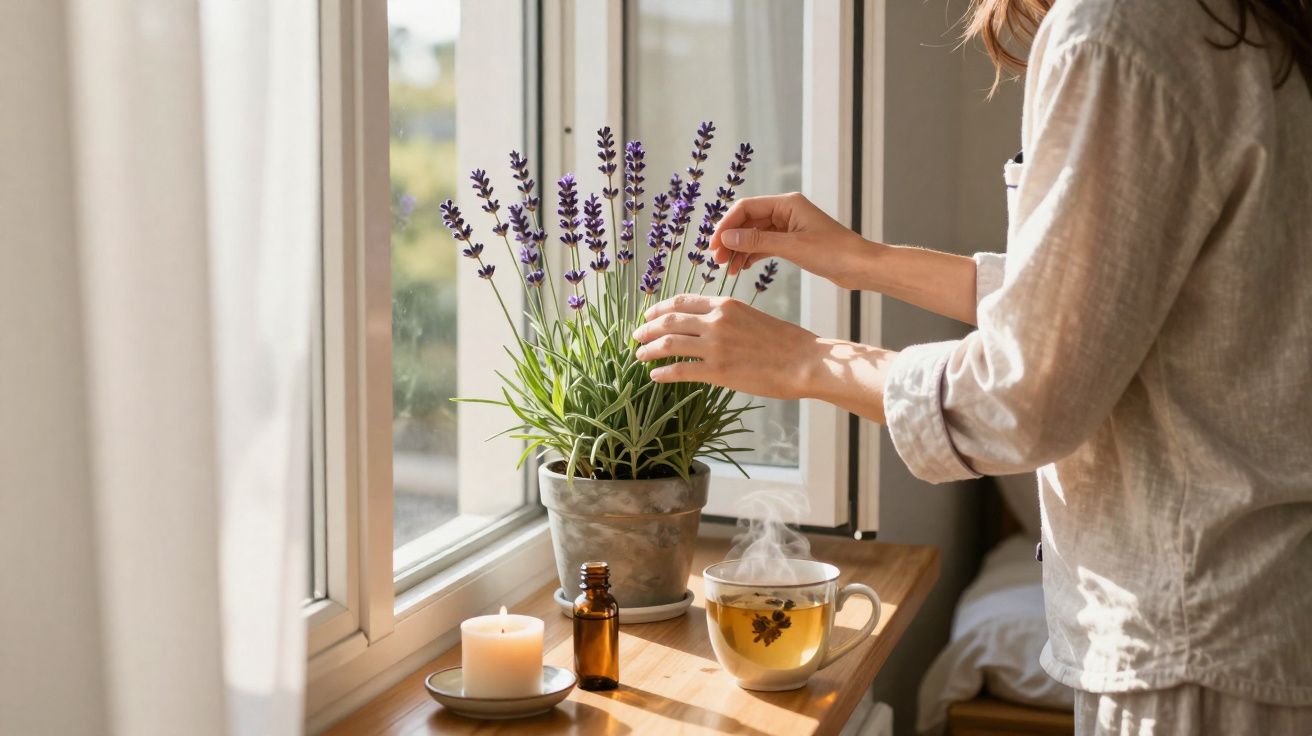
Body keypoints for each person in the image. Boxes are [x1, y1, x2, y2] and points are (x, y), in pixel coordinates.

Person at [632, 0, 1312, 733]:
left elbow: (1022, 400)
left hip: (1193, 634)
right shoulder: (1237, 23)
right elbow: (1097, 298)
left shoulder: (1118, 26)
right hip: (1256, 613)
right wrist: (866, 262)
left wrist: (807, 359)